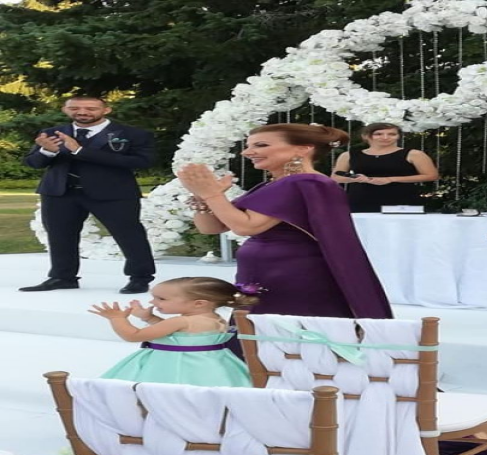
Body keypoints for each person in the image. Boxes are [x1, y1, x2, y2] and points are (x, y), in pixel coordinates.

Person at [177, 123, 393, 356]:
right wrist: (202, 197)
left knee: (284, 339)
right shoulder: (276, 184)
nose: (247, 152)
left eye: (261, 145)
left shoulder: (305, 182)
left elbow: (245, 226)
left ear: (303, 149)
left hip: (293, 275)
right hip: (265, 273)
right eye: (248, 146)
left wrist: (211, 194)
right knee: (262, 337)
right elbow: (211, 227)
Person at [20, 96, 156, 294]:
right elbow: (32, 163)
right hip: (60, 192)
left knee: (129, 235)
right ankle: (62, 277)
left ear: (106, 110)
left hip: (113, 193)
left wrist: (80, 151)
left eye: (91, 108)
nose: (82, 112)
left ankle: (140, 278)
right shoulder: (52, 132)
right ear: (65, 109)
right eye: (75, 108)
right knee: (59, 236)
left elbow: (142, 162)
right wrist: (47, 152)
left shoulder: (132, 134)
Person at [90, 277, 255, 387]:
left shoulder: (180, 321)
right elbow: (178, 336)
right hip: (210, 366)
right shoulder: (216, 319)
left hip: (172, 367)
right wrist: (149, 318)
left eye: (161, 299)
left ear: (199, 303)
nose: (153, 302)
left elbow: (133, 335)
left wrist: (117, 318)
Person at [332, 122, 439, 212]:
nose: (385, 137)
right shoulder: (348, 155)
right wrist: (357, 179)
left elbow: (432, 175)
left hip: (401, 201)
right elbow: (336, 177)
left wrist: (390, 179)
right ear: (366, 136)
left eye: (392, 134)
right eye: (378, 134)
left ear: (398, 136)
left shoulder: (414, 154)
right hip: (360, 201)